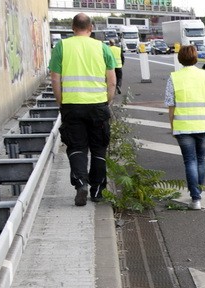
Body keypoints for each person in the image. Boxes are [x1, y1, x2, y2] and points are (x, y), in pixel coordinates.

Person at [49, 14, 117, 206]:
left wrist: (62, 103)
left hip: (72, 106)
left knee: (76, 147)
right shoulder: (102, 47)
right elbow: (111, 81)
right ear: (91, 28)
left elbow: (55, 79)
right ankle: (97, 191)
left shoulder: (62, 46)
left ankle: (80, 184)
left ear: (72, 27)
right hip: (98, 106)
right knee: (98, 148)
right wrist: (107, 101)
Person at [166, 45, 205, 211]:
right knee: (200, 160)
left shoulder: (174, 77)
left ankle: (195, 199)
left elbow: (171, 105)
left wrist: (173, 126)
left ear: (180, 59)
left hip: (183, 126)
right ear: (196, 57)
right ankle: (199, 193)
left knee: (190, 161)